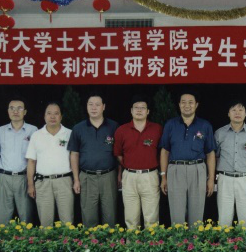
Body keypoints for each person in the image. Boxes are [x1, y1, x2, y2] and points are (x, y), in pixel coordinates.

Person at [159, 92, 216, 227]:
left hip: (198, 169)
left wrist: (211, 178)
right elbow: (165, 151)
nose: (187, 105)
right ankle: (178, 239)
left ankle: (194, 240)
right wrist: (163, 176)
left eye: (191, 102)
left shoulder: (205, 125)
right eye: (183, 102)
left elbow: (210, 153)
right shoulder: (171, 125)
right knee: (176, 214)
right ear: (179, 105)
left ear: (196, 105)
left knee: (196, 215)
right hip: (175, 170)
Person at [68, 94, 119, 228]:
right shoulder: (78, 128)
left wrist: (119, 175)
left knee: (110, 216)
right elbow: (74, 154)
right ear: (86, 107)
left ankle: (110, 241)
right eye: (90, 104)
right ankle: (91, 241)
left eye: (97, 104)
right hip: (87, 177)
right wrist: (76, 179)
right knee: (89, 217)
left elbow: (119, 154)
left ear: (104, 107)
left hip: (109, 176)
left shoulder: (114, 126)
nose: (94, 108)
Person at [114, 95, 163, 229]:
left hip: (150, 176)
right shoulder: (121, 130)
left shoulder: (157, 129)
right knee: (131, 218)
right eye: (136, 108)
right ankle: (133, 242)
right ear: (131, 111)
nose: (139, 110)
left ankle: (152, 243)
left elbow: (162, 153)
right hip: (129, 176)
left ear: (148, 111)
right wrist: (130, 165)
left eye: (143, 108)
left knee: (151, 218)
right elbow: (118, 154)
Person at [214, 100, 246, 228]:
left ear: (245, 113)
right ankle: (224, 241)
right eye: (234, 110)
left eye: (241, 110)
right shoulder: (219, 133)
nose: (237, 113)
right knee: (224, 219)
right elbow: (215, 156)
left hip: (245, 179)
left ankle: (245, 242)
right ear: (228, 113)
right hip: (225, 179)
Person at [26, 102, 74, 227]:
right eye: (49, 113)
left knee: (67, 221)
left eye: (56, 113)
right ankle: (46, 240)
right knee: (45, 222)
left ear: (61, 117)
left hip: (64, 181)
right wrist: (30, 185)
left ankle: (67, 240)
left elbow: (74, 159)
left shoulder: (69, 133)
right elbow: (31, 161)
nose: (52, 116)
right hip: (43, 182)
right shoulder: (36, 135)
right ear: (44, 116)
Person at [0, 98, 38, 225]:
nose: (15, 111)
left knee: (26, 217)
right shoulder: (0, 131)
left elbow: (35, 158)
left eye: (19, 108)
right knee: (2, 219)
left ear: (25, 112)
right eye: (12, 108)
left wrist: (31, 182)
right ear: (8, 111)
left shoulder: (33, 130)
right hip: (4, 178)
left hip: (24, 178)